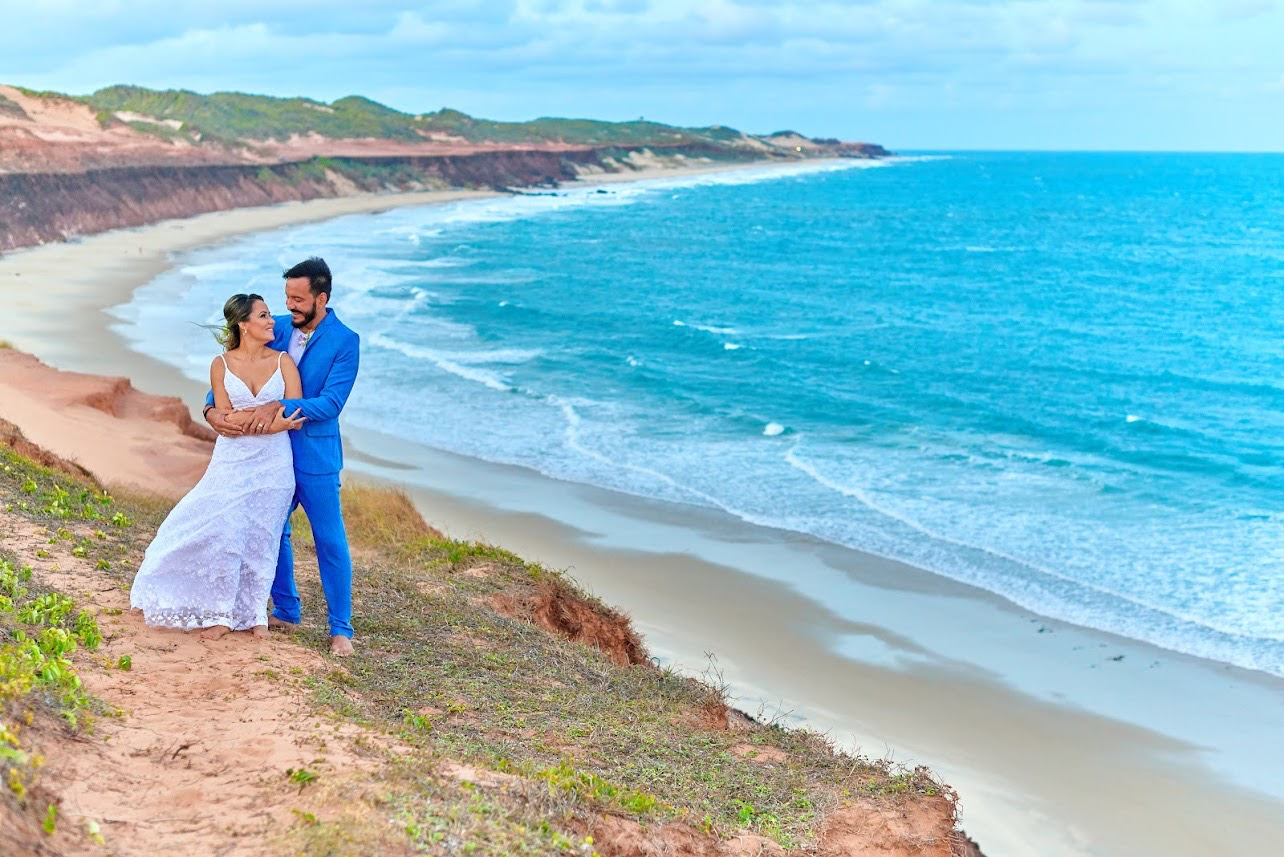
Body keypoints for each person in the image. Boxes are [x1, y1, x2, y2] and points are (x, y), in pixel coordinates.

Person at [204, 257, 361, 657]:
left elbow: (331, 403)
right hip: (267, 455)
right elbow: (238, 363)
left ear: (321, 298)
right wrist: (210, 410)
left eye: (298, 299)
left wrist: (277, 405)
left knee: (329, 539)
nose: (288, 306)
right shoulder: (275, 326)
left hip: (315, 456)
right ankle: (287, 610)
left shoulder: (346, 341)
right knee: (270, 530)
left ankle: (340, 629)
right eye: (287, 297)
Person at [130, 294, 305, 638]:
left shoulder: (284, 362)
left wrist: (252, 418)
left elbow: (296, 415)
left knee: (264, 539)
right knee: (225, 533)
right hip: (231, 462)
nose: (272, 321)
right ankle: (220, 614)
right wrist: (270, 421)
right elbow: (225, 420)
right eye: (264, 315)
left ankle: (256, 616)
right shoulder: (220, 365)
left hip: (274, 464)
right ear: (243, 324)